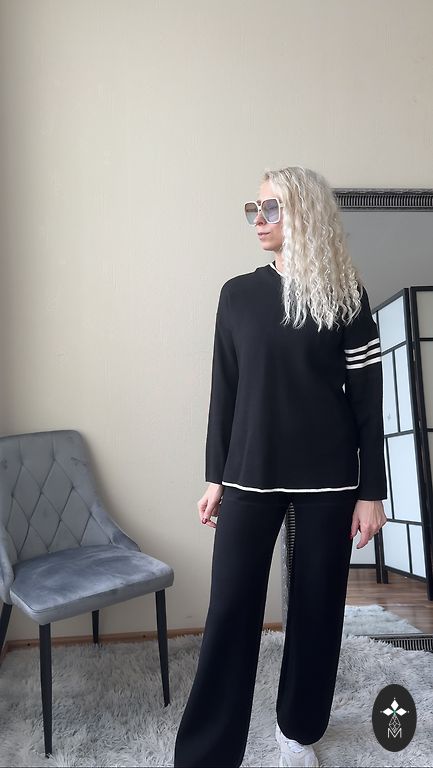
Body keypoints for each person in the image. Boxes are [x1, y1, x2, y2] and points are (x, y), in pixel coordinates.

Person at [173, 166, 388, 768]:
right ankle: (207, 754)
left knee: (317, 609)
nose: (258, 220)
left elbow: (369, 401)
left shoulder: (346, 296)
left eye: (271, 208)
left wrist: (371, 491)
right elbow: (224, 393)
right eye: (255, 209)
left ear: (305, 215)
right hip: (249, 473)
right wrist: (215, 477)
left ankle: (298, 730)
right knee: (230, 611)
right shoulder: (237, 295)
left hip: (330, 480)